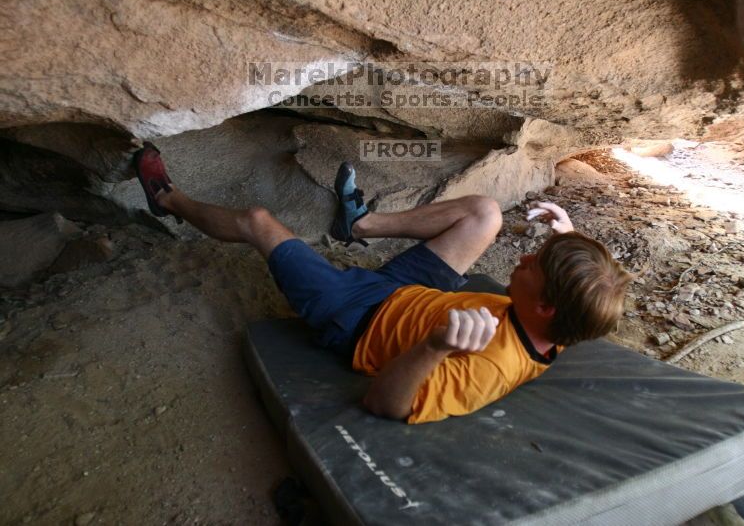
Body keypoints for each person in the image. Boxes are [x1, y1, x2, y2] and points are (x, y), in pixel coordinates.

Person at [133, 143, 633, 424]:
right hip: (408, 293)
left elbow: (385, 403)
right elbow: (590, 292)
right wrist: (568, 241)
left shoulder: (489, 368)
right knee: (483, 213)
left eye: (534, 266)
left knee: (259, 222)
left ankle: (168, 200)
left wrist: (435, 346)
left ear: (545, 305)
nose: (522, 259)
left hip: (353, 317)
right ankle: (358, 226)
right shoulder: (563, 323)